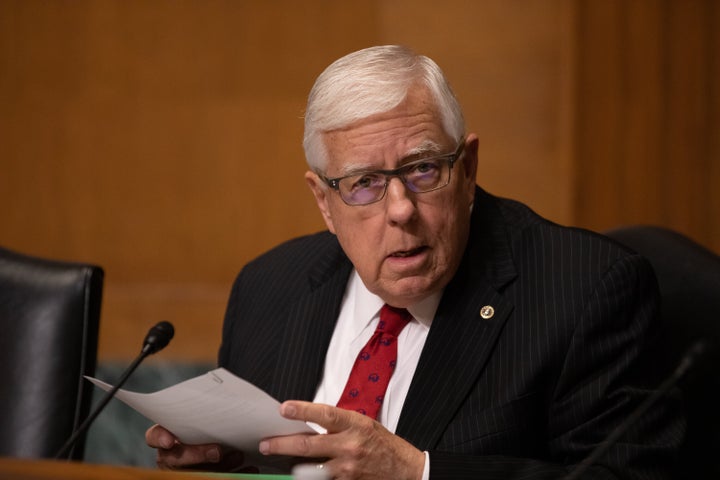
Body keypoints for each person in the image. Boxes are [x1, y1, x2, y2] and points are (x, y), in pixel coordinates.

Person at [146, 45, 683, 479]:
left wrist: (418, 473)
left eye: (424, 170)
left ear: (468, 168)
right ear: (324, 202)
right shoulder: (270, 286)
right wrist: (214, 466)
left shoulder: (586, 289)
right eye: (364, 184)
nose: (401, 210)